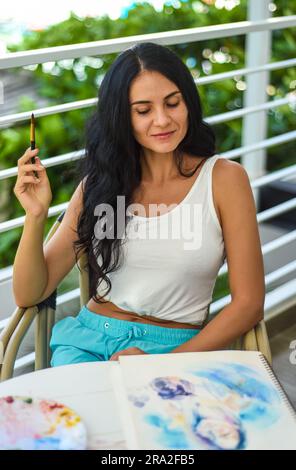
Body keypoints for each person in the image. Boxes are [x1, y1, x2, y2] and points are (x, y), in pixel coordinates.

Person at [13, 42, 265, 367]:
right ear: (122, 118)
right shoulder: (99, 184)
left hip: (175, 352)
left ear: (188, 102)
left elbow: (249, 304)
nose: (162, 120)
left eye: (173, 103)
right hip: (87, 346)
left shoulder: (225, 180)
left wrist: (161, 363)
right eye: (143, 110)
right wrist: (35, 217)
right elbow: (29, 294)